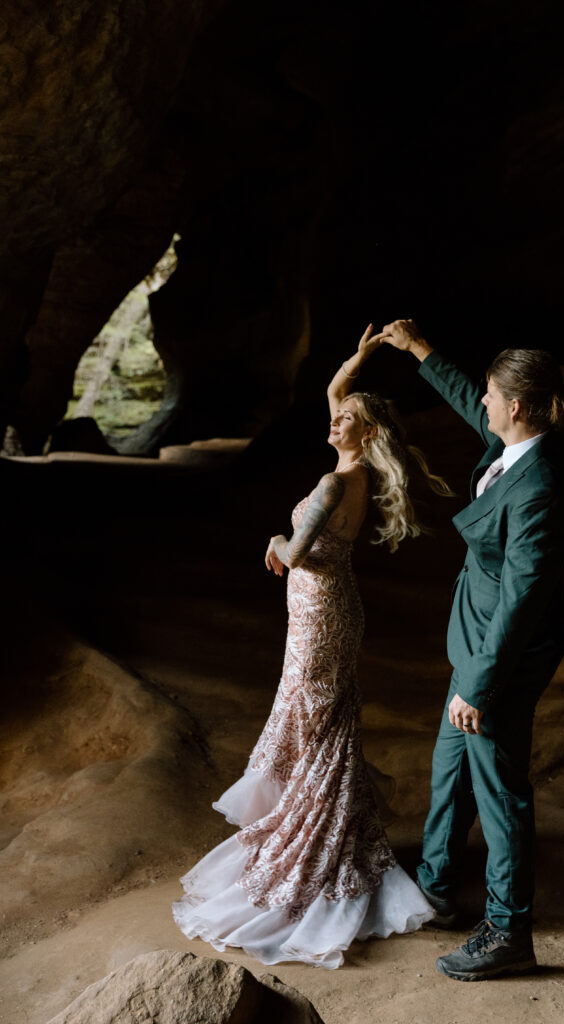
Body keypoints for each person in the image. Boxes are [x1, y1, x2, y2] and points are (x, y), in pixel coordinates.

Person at [173, 325, 452, 968]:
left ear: (366, 432)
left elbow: (297, 555)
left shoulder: (332, 486)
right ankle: (329, 828)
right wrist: (363, 356)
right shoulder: (352, 473)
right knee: (325, 721)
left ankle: (314, 847)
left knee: (314, 719)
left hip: (321, 610)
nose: (334, 422)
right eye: (337, 417)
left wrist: (275, 540)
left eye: (346, 420)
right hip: (333, 608)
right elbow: (334, 390)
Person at [380, 318, 564, 982]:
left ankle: (506, 930)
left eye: (494, 396)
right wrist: (419, 350)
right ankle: (435, 887)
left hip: (503, 649)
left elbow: (523, 600)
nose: (484, 403)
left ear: (516, 406)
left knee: (497, 788)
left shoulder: (540, 486)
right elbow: (470, 400)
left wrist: (480, 686)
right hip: (476, 634)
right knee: (448, 767)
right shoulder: (516, 444)